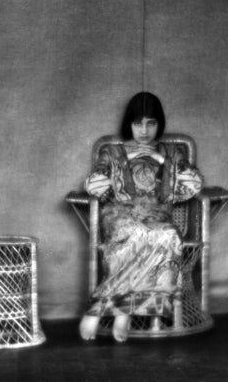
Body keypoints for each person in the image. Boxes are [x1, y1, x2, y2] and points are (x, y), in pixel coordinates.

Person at [79, 91, 203, 342]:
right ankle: (114, 310)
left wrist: (159, 159)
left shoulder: (172, 153)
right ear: (129, 124)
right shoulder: (112, 154)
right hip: (119, 215)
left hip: (158, 218)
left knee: (168, 237)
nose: (144, 130)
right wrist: (128, 160)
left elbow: (193, 185)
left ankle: (112, 310)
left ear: (159, 124)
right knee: (138, 234)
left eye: (151, 123)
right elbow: (93, 186)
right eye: (138, 123)